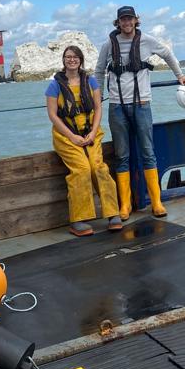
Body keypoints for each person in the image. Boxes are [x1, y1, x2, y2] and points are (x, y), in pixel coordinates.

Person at [95, 5, 185, 220]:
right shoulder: (108, 45)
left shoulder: (148, 41)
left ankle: (156, 202)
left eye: (130, 19)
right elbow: (99, 70)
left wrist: (180, 75)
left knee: (148, 152)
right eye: (123, 20)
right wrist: (97, 96)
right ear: (118, 22)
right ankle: (126, 204)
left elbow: (167, 53)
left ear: (136, 20)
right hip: (117, 106)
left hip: (142, 104)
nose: (127, 23)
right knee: (122, 155)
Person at [46, 45, 122, 236]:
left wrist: (93, 131)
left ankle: (112, 213)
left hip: (91, 133)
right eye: (68, 57)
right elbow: (53, 115)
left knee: (98, 167)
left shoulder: (91, 81)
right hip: (66, 136)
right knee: (81, 170)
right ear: (63, 60)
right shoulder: (54, 85)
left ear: (81, 60)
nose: (71, 60)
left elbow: (98, 108)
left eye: (75, 57)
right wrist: (72, 136)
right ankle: (79, 219)